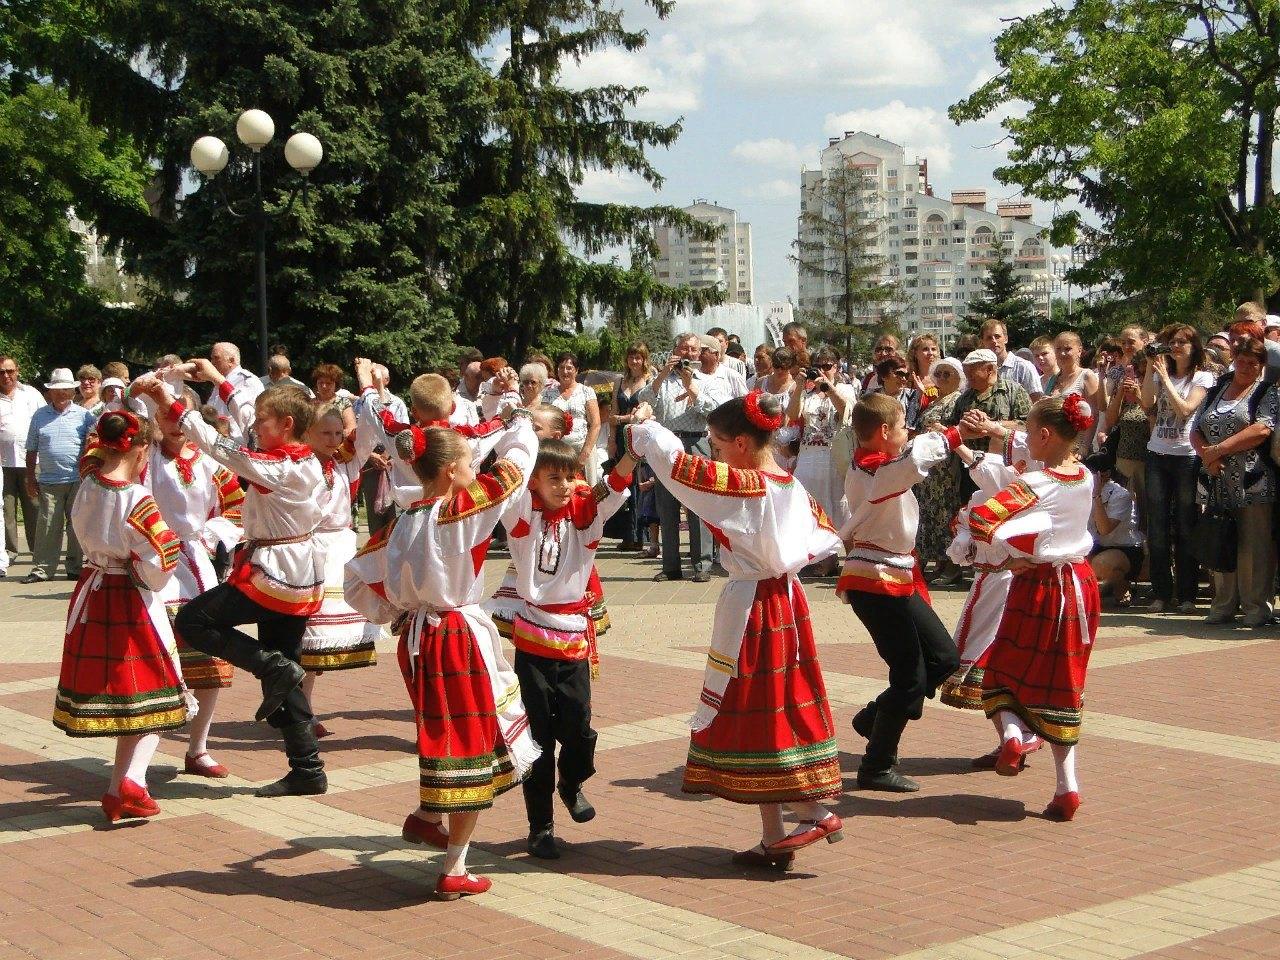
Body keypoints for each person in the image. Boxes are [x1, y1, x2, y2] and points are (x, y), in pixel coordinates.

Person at [624, 392, 846, 868]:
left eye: (720, 444)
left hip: (755, 609)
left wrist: (644, 427)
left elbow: (678, 466)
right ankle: (774, 836)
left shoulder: (746, 486)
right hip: (786, 600)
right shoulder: (789, 483)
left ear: (742, 444)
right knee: (768, 709)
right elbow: (825, 534)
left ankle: (814, 809)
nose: (716, 452)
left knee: (761, 711)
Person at [344, 411, 540, 900]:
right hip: (453, 635)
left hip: (417, 638)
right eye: (470, 461)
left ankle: (427, 818)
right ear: (451, 470)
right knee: (467, 744)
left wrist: (392, 611)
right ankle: (454, 866)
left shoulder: (401, 520)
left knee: (443, 729)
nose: (475, 468)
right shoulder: (461, 510)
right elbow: (518, 465)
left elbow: (354, 577)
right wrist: (519, 421)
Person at [137, 365, 328, 798]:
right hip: (292, 570)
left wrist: (172, 405)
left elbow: (224, 449)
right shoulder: (292, 457)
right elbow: (245, 420)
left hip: (279, 573)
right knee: (286, 674)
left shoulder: (284, 467)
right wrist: (220, 382)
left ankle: (271, 666)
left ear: (287, 426)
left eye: (265, 422)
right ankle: (307, 767)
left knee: (193, 622)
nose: (256, 426)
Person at [485, 436, 637, 859]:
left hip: (572, 636)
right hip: (533, 637)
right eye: (554, 477)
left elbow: (617, 483)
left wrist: (635, 449)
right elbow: (510, 480)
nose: (565, 485)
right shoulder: (524, 517)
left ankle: (572, 781)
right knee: (537, 737)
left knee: (579, 728)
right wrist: (516, 436)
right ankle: (541, 826)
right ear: (533, 482)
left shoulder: (586, 516)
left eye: (570, 476)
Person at [53, 410, 190, 821]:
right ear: (142, 448)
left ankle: (122, 787)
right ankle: (130, 782)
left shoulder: (88, 481)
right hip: (129, 597)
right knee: (154, 692)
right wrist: (146, 573)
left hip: (92, 591)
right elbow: (162, 556)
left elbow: (93, 451)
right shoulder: (137, 499)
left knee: (127, 696)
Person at [969, 394, 1100, 821]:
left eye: (1027, 431)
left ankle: (1014, 735)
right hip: (1080, 585)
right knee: (1064, 684)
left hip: (1039, 586)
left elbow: (982, 519)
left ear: (1045, 436)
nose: (1023, 436)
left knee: (1002, 672)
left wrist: (1009, 554)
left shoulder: (1034, 484)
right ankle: (1068, 788)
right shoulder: (1085, 476)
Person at [839, 393, 978, 792]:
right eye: (902, 426)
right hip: (874, 578)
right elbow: (910, 464)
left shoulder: (880, 464)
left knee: (944, 658)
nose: (908, 432)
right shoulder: (873, 469)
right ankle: (876, 765)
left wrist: (945, 437)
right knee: (910, 677)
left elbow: (908, 461)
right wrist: (953, 434)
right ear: (883, 433)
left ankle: (873, 718)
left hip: (897, 573)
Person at [144, 391, 245, 779]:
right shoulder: (146, 460)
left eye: (179, 416)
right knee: (157, 655)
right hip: (154, 565)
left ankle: (198, 748)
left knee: (206, 660)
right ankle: (143, 751)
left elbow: (235, 507)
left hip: (198, 566)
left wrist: (210, 536)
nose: (172, 423)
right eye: (163, 416)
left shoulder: (210, 462)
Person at [298, 389, 384, 733]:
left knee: (314, 646)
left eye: (337, 433)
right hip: (309, 551)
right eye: (326, 433)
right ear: (307, 433)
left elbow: (368, 433)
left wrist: (369, 391)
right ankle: (297, 707)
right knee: (304, 637)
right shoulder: (299, 465)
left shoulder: (346, 463)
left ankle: (302, 707)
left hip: (338, 553)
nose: (334, 440)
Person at [1191, 336, 1278, 627]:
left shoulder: (1266, 392)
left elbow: (1263, 429)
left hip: (1253, 480)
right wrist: (1208, 456)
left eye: (1252, 363)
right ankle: (1223, 605)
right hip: (1217, 478)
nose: (1245, 367)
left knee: (1255, 546)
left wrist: (1221, 449)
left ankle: (1256, 609)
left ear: (1261, 366)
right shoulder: (1217, 388)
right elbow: (1196, 428)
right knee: (1221, 539)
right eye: (1240, 361)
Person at [637, 333, 731, 582]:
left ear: (699, 354)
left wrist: (692, 388)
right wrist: (660, 376)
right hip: (667, 444)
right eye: (683, 349)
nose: (688, 354)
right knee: (666, 506)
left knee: (697, 505)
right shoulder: (664, 380)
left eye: (692, 349)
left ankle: (702, 565)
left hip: (696, 441)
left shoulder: (708, 380)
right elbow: (643, 400)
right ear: (675, 351)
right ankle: (670, 566)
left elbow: (715, 411)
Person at [1140, 324, 1214, 613]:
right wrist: (1150, 369)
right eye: (1172, 342)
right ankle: (1160, 592)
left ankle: (1187, 594)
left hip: (1187, 456)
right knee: (1156, 526)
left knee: (1185, 524)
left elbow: (1186, 409)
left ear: (1194, 347)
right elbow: (1147, 403)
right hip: (1158, 453)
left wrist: (1164, 380)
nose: (1176, 346)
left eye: (1183, 342)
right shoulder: (1161, 373)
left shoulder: (1203, 376)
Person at [782, 348, 856, 574]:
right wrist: (799, 386)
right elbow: (792, 415)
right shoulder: (806, 392)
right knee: (814, 508)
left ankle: (853, 559)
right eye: (819, 365)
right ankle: (826, 558)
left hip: (835, 455)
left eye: (828, 365)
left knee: (841, 507)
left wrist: (828, 386)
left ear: (837, 366)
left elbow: (847, 410)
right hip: (809, 456)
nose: (823, 370)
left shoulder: (844, 388)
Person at [24, 369, 97, 584]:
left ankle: (74, 568)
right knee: (47, 526)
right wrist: (30, 477)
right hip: (48, 479)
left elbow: (93, 445)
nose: (61, 393)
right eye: (57, 390)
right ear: (50, 393)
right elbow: (31, 448)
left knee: (76, 526)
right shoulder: (39, 415)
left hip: (78, 479)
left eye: (66, 389)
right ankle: (42, 569)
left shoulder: (85, 415)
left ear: (73, 391)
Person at [916, 357, 967, 583]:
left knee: (947, 514)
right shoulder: (934, 400)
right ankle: (939, 563)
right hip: (929, 469)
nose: (943, 378)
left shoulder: (958, 401)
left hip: (947, 467)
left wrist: (944, 429)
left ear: (958, 378)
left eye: (948, 374)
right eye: (939, 374)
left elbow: (962, 430)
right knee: (931, 514)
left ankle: (951, 567)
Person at [609, 342, 654, 551]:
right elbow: (612, 414)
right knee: (623, 483)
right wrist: (611, 441)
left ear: (645, 359)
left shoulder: (650, 379)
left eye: (639, 357)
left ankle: (641, 535)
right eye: (631, 357)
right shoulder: (619, 380)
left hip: (639, 436)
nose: (634, 361)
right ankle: (627, 534)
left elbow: (648, 410)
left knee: (640, 484)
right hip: (620, 437)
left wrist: (623, 418)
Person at [1085, 453, 1145, 608]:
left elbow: (1104, 529)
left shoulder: (1121, 495)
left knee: (1102, 563)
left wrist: (1096, 496)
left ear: (1104, 474)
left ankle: (1120, 587)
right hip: (1097, 546)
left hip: (1125, 549)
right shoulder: (1082, 492)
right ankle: (1104, 588)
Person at [0, 355, 44, 560]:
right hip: (3, 463)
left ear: (18, 370)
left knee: (34, 506)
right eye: (1, 372)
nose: (6, 376)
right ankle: (9, 552)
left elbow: (45, 419)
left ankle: (38, 550)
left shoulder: (31, 394)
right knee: (6, 509)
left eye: (10, 371)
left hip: (30, 461)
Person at [356, 365, 406, 538]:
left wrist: (387, 454)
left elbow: (402, 433)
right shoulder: (361, 402)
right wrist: (370, 456)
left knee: (395, 511)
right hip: (369, 460)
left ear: (386, 380)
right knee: (374, 512)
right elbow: (355, 432)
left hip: (392, 461)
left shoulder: (397, 403)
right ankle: (375, 552)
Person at [1045, 332, 1104, 453]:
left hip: (1076, 447)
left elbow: (1094, 415)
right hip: (1054, 445)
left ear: (1079, 350)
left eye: (1067, 349)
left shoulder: (1086, 376)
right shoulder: (1053, 379)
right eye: (1058, 349)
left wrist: (1084, 447)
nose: (1062, 353)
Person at [208, 342, 264, 442]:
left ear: (231, 360)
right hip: (216, 443)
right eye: (211, 358)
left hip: (237, 445)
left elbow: (246, 417)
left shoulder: (247, 381)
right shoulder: (218, 383)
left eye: (216, 358)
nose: (212, 363)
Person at [978, 320, 1044, 399]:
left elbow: (1036, 400)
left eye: (997, 336)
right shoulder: (979, 370)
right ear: (982, 342)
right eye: (989, 338)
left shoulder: (1024, 367)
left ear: (1005, 339)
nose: (994, 341)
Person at [871, 355, 927, 433]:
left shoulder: (912, 395)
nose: (904, 379)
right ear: (884, 376)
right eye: (899, 374)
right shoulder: (871, 397)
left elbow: (910, 428)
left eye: (906, 375)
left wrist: (920, 394)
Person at [311, 363, 357, 435]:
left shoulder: (344, 403)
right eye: (320, 382)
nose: (324, 386)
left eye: (328, 383)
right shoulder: (309, 403)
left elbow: (351, 429)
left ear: (336, 385)